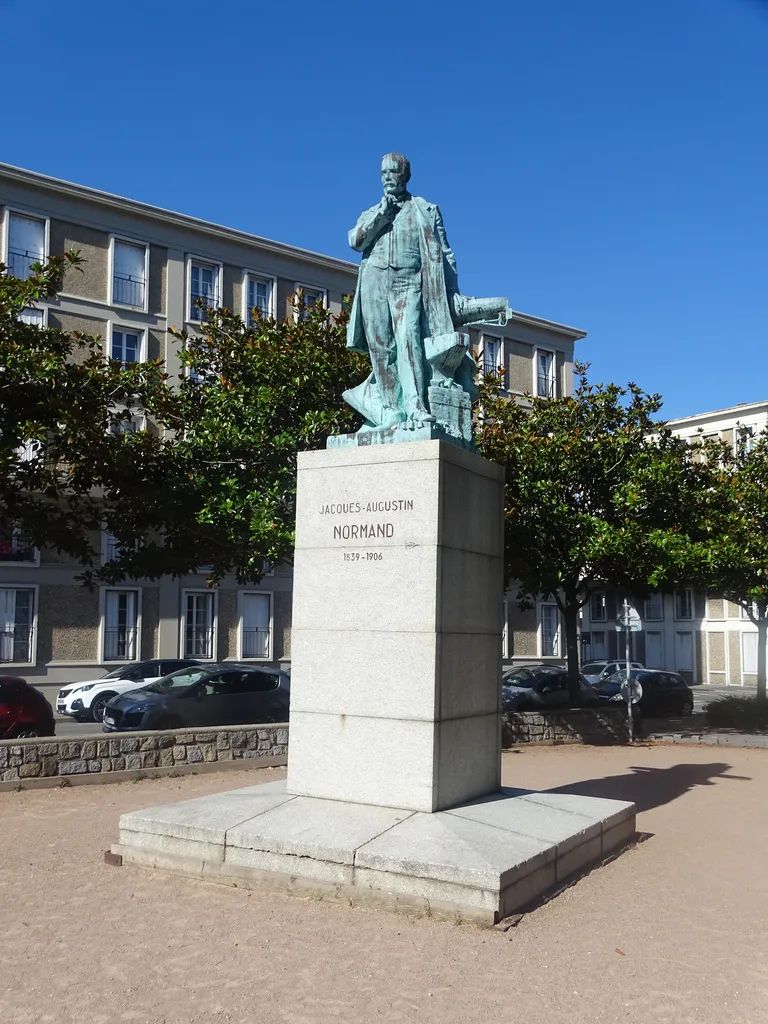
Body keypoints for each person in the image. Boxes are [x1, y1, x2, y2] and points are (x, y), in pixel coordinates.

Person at [345, 153, 460, 430]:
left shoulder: (425, 209)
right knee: (380, 346)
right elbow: (356, 241)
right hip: (374, 281)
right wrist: (381, 215)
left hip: (409, 282)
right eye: (383, 172)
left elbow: (446, 254)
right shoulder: (372, 211)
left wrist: (453, 290)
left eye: (392, 172)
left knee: (408, 338)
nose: (387, 177)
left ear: (405, 176)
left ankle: (415, 405)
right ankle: (390, 410)